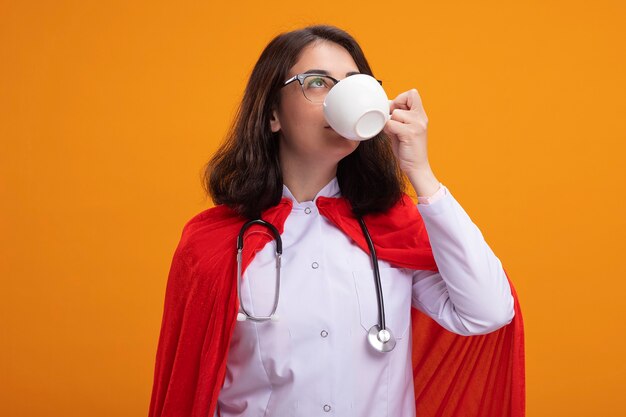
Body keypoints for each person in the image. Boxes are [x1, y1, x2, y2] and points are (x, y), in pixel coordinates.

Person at [148, 25, 525, 417]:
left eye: (352, 84)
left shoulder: (392, 228)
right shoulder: (214, 243)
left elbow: (489, 310)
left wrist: (421, 172)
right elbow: (189, 385)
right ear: (273, 113)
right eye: (317, 82)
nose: (340, 97)